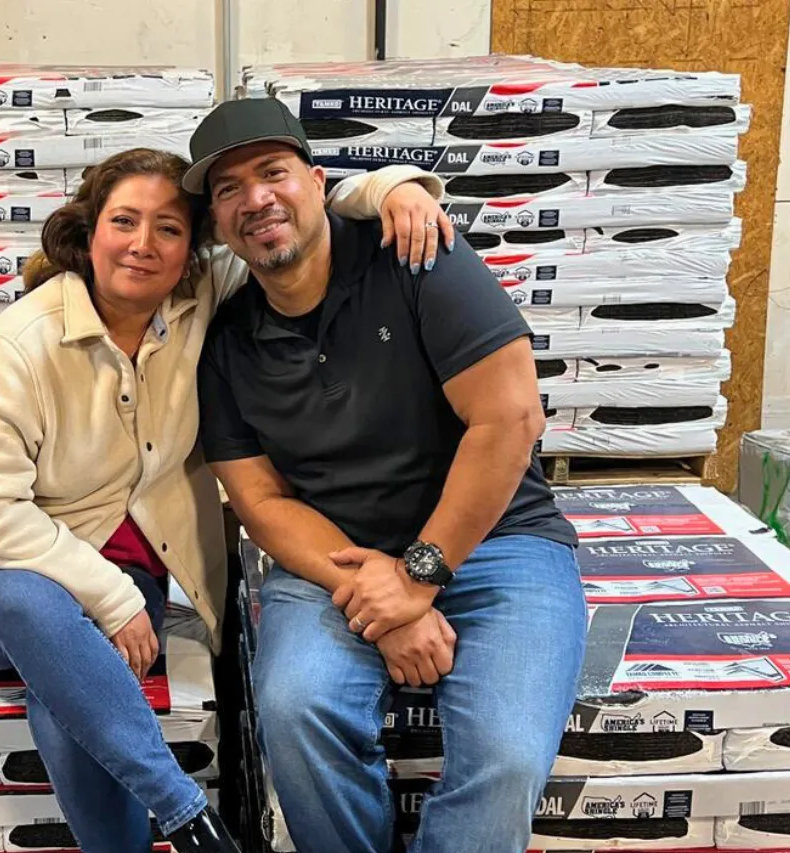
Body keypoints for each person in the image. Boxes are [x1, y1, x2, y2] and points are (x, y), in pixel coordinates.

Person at [0, 141, 450, 853]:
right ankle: (190, 816)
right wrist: (113, 596)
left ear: (193, 248)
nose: (143, 244)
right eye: (124, 222)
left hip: (123, 575)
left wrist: (394, 189)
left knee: (65, 682)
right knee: (35, 603)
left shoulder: (198, 298)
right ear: (88, 231)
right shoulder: (20, 344)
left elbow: (283, 218)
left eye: (168, 228)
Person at [191, 98, 588, 853]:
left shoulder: (417, 255)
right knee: (295, 707)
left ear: (317, 181)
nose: (256, 200)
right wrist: (387, 596)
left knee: (505, 755)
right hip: (334, 561)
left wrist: (419, 575)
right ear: (216, 222)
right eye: (229, 189)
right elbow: (261, 500)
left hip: (499, 542)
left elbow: (509, 421)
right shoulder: (226, 343)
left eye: (272, 173)